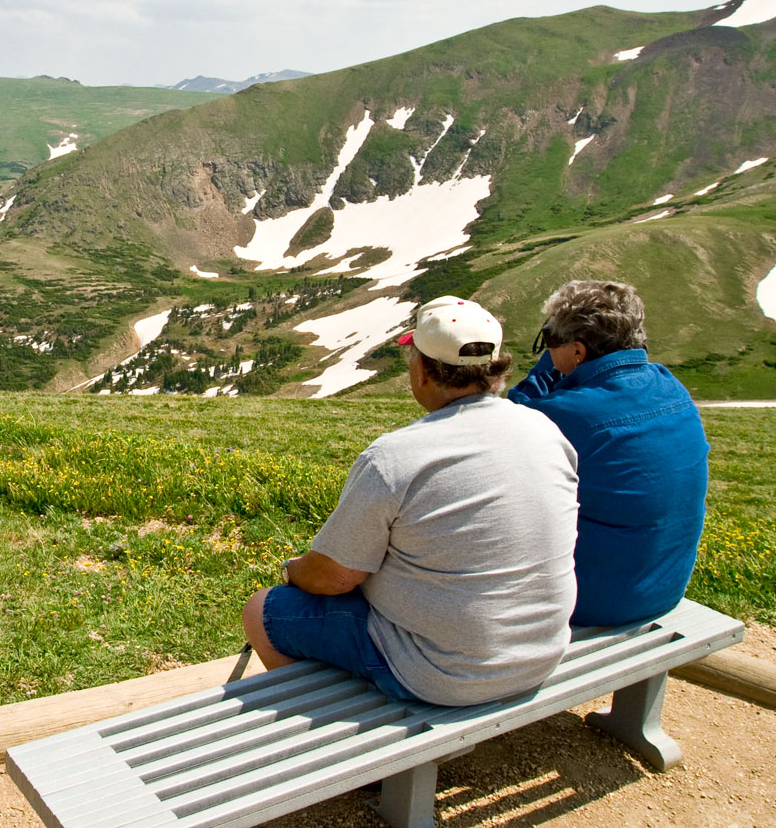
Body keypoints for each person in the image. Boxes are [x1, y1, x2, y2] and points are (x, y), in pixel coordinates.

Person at [242, 296, 580, 706]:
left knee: (264, 610)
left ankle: (331, 719)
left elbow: (335, 577)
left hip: (443, 675)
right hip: (541, 655)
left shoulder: (394, 457)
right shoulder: (544, 429)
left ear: (421, 371)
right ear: (495, 368)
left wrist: (292, 569)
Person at [508, 280, 708, 627]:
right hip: (665, 587)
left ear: (578, 350)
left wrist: (544, 374)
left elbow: (510, 423)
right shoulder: (669, 384)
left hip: (596, 598)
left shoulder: (563, 414)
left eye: (549, 340)